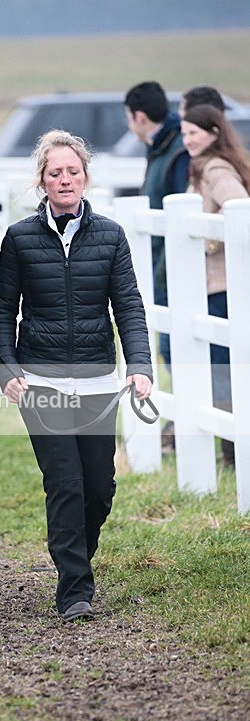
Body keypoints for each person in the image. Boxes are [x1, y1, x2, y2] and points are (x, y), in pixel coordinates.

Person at [0, 130, 153, 622]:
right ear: (42, 180)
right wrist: (8, 371)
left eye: (73, 171)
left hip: (100, 383)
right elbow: (2, 310)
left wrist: (140, 367)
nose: (65, 179)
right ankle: (74, 589)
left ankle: (75, 559)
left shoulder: (110, 235)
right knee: (65, 484)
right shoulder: (19, 238)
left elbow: (128, 304)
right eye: (55, 172)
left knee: (99, 488)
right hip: (42, 383)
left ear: (85, 178)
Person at [181, 104, 250, 467]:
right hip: (218, 283)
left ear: (214, 132)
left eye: (194, 132)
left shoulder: (215, 167)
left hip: (221, 283)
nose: (187, 139)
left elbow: (239, 205)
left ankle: (232, 450)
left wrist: (211, 240)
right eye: (184, 132)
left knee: (223, 365)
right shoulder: (205, 165)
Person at [124, 81, 190, 371]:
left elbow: (181, 213)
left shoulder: (176, 151)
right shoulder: (164, 146)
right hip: (163, 263)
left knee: (176, 342)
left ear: (140, 117)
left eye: (129, 117)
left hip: (174, 265)